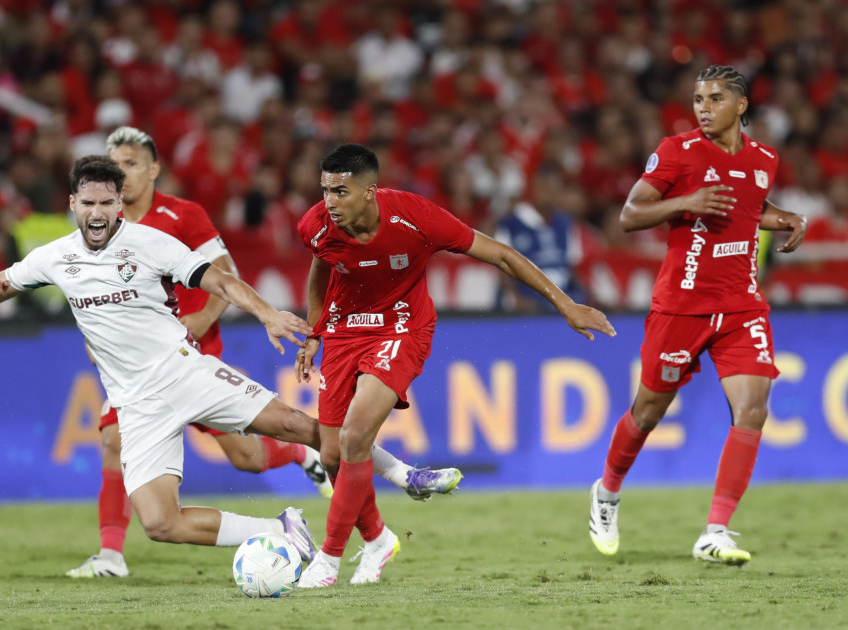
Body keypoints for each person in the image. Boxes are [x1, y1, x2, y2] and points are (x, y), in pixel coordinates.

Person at [0, 155, 323, 565]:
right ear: (73, 204)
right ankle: (281, 530)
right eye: (88, 203)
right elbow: (1, 288)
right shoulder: (54, 257)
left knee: (292, 425)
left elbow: (221, 281)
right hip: (138, 406)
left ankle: (394, 473)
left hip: (183, 373)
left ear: (119, 203)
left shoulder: (151, 243)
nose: (97, 212)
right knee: (160, 523)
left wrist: (267, 314)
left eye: (106, 203)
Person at [295, 143, 616, 588]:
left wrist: (565, 305)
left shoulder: (416, 217)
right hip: (346, 331)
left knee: (353, 436)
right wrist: (315, 331)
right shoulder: (315, 225)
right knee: (333, 455)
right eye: (326, 190)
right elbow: (320, 267)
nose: (330, 202)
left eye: (341, 192)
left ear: (370, 191)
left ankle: (327, 560)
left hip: (401, 330)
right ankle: (377, 539)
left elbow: (501, 254)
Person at [65, 126, 331, 579]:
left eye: (129, 163)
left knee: (248, 458)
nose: (120, 173)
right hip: (139, 376)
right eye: (114, 164)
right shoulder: (100, 228)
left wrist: (203, 321)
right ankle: (111, 554)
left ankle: (305, 456)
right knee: (112, 440)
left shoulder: (181, 214)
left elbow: (226, 274)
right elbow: (92, 296)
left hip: (191, 360)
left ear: (153, 169)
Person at [587, 65, 807, 565]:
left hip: (741, 304)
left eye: (714, 98)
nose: (703, 107)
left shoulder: (764, 158)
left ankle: (715, 532)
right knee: (648, 412)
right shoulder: (677, 151)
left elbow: (750, 204)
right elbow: (629, 215)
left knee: (753, 409)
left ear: (741, 105)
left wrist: (786, 218)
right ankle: (607, 491)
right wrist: (686, 201)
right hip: (682, 307)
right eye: (698, 99)